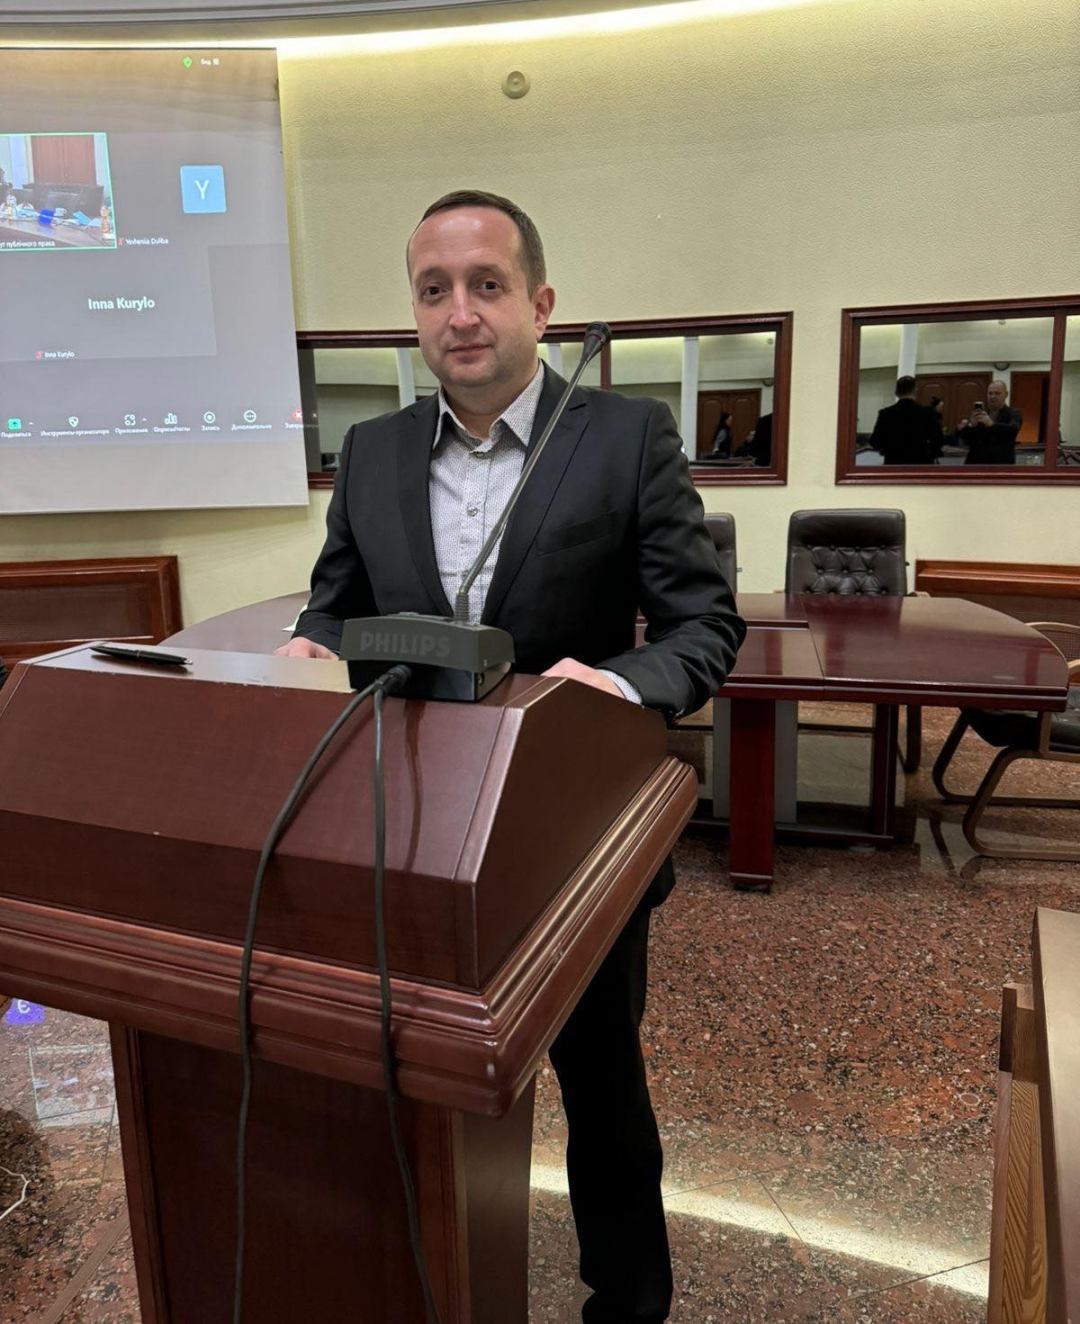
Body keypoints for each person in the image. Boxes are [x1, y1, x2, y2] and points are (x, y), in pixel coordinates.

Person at [277, 188, 746, 1323]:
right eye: (434, 290)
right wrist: (307, 644)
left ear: (541, 305)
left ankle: (628, 1301)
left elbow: (704, 627)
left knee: (601, 1082)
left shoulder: (626, 437)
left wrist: (616, 683)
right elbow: (335, 607)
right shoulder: (373, 450)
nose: (461, 313)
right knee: (406, 1069)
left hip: (567, 830)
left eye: (487, 285)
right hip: (408, 825)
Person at [869, 375, 943, 464]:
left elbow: (875, 442)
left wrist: (888, 448)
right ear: (915, 391)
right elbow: (939, 440)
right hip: (921, 463)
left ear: (896, 392)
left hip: (894, 463)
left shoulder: (885, 413)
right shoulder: (927, 413)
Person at [958, 379, 1023, 464]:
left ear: (1006, 394)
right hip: (976, 463)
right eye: (990, 393)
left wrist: (992, 424)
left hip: (1001, 463)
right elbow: (965, 439)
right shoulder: (981, 413)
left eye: (997, 393)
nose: (993, 396)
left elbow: (1013, 430)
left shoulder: (1014, 413)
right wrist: (970, 426)